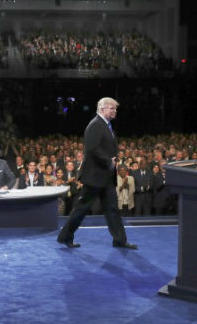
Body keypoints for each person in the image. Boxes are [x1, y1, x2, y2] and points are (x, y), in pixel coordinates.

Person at [57, 97, 137, 249]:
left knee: (112, 209)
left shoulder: (105, 125)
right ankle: (65, 236)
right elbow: (91, 150)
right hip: (94, 177)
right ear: (102, 109)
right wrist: (109, 161)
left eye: (115, 109)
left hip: (105, 177)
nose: (115, 111)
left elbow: (103, 147)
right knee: (82, 209)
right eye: (112, 108)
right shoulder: (95, 125)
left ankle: (119, 240)